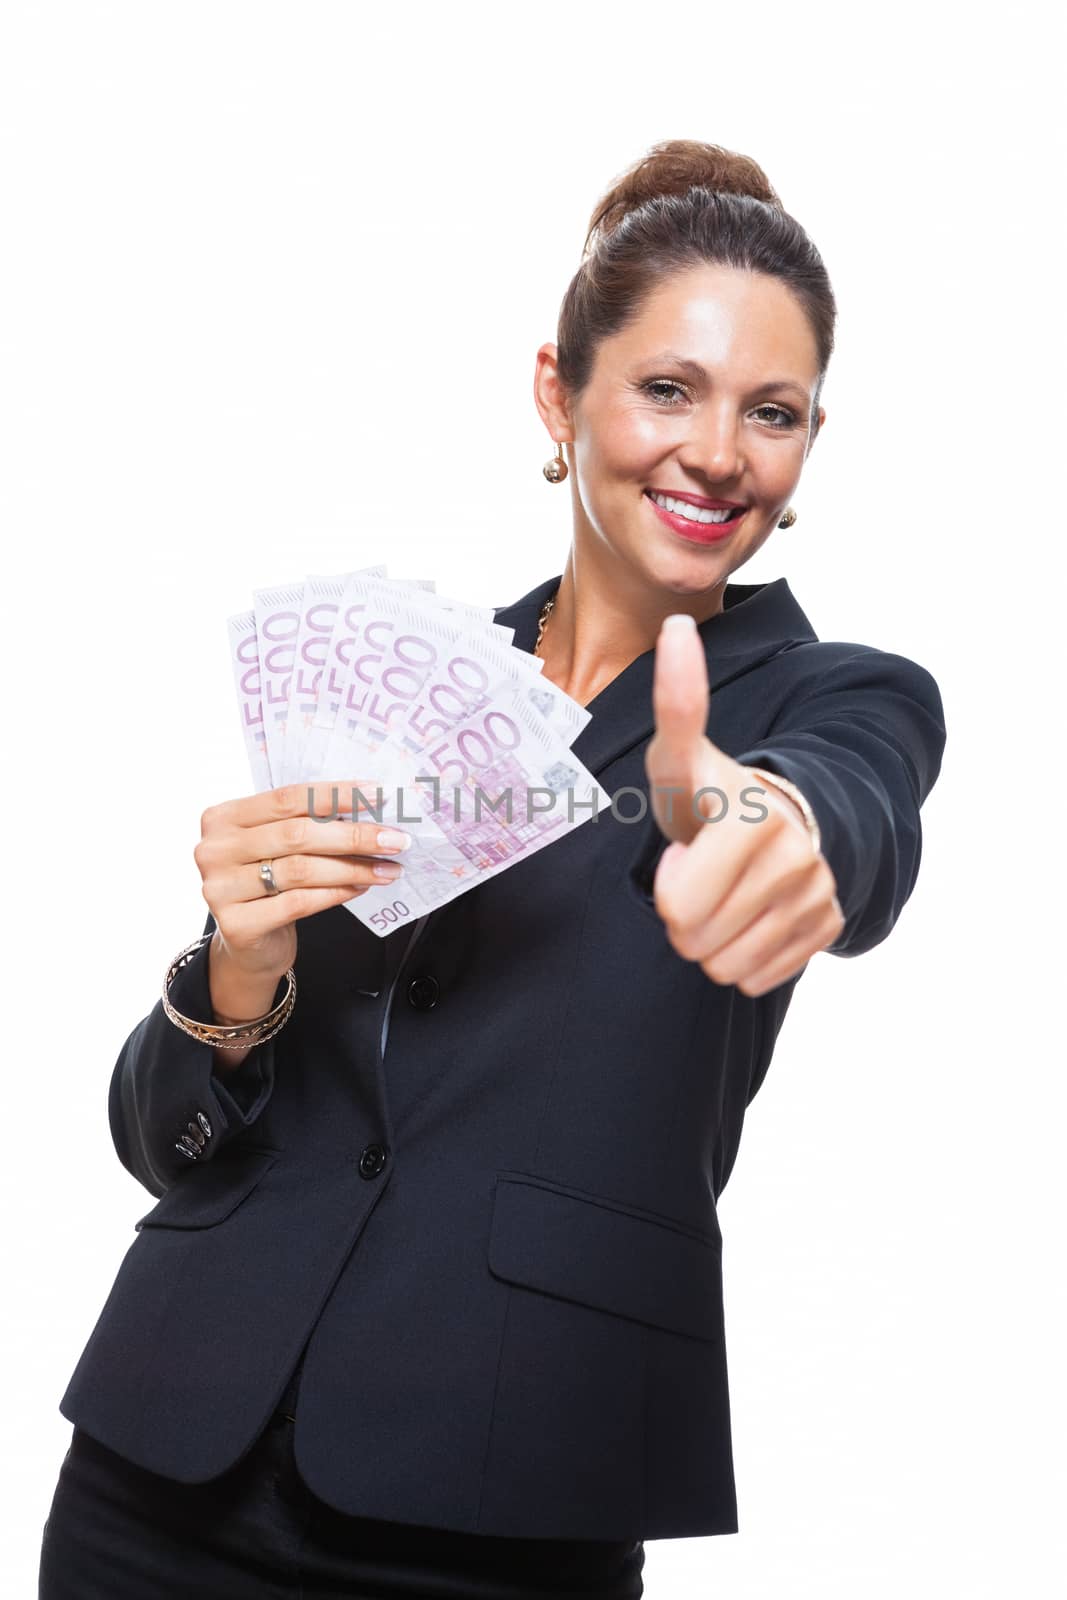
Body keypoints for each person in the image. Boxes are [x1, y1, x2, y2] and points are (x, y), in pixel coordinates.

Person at [39, 138, 947, 1596]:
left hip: (506, 1503)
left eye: (770, 412)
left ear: (807, 444)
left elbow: (851, 817)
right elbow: (162, 1139)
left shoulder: (838, 698)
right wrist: (237, 973)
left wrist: (759, 826)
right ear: (559, 395)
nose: (718, 451)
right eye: (667, 388)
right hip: (162, 1465)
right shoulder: (405, 682)